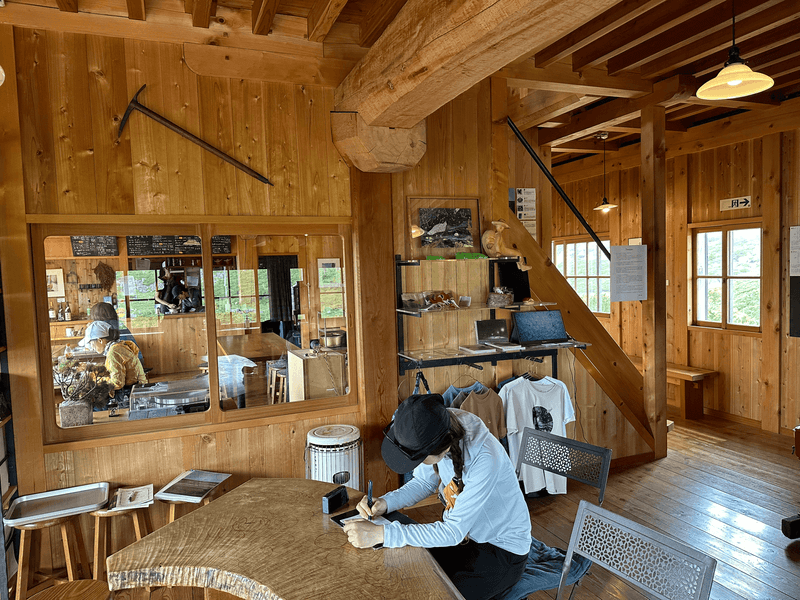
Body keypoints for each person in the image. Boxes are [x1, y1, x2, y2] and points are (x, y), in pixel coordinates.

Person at [343, 394, 531, 600]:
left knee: (435, 594)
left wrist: (383, 534)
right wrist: (387, 502)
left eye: (419, 459)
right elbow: (424, 483)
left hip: (501, 551)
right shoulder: (438, 424)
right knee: (402, 574)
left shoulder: (486, 458)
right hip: (464, 539)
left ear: (442, 451)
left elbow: (452, 532)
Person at [84, 320, 147, 409]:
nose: (92, 348)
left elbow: (117, 383)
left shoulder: (113, 351)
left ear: (100, 340)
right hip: (137, 390)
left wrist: (97, 382)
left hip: (128, 395)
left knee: (92, 406)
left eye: (91, 344)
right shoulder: (118, 346)